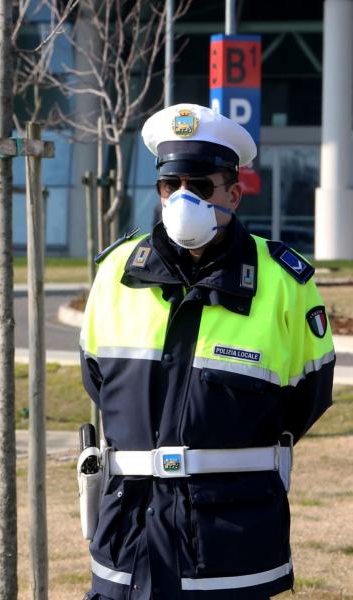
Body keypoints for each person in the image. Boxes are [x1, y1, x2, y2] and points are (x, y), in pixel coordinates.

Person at [78, 104, 334, 600]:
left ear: (234, 194)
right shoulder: (115, 272)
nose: (182, 199)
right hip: (131, 537)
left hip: (231, 538)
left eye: (200, 186)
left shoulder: (283, 281)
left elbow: (308, 397)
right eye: (171, 186)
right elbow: (97, 378)